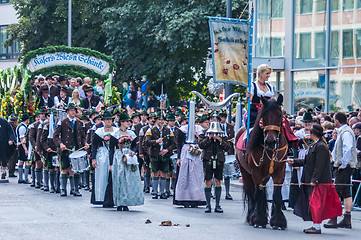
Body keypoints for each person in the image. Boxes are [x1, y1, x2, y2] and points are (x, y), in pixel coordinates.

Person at [288, 124, 342, 234]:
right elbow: (308, 162)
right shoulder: (315, 145)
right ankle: (315, 224)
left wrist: (315, 180)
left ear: (313, 134)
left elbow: (320, 165)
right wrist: (295, 162)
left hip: (320, 182)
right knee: (313, 203)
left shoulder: (321, 146)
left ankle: (316, 226)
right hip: (315, 180)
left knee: (315, 204)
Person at [324, 112, 358, 229]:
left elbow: (347, 149)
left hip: (344, 166)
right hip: (346, 165)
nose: (334, 122)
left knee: (336, 191)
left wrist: (342, 164)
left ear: (337, 121)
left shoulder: (346, 132)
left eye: (334, 120)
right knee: (346, 191)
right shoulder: (345, 131)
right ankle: (347, 219)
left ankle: (333, 218)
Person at [109, 112, 144, 211]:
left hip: (129, 156)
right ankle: (120, 202)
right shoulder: (115, 134)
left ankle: (128, 201)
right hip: (119, 156)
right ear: (121, 122)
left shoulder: (131, 133)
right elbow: (111, 149)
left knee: (130, 179)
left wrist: (133, 152)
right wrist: (111, 163)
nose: (128, 123)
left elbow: (134, 145)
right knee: (120, 179)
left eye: (128, 121)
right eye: (126, 121)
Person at [53, 103, 88, 197]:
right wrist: (60, 144)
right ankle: (63, 189)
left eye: (74, 111)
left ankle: (75, 189)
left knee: (76, 169)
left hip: (77, 149)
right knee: (64, 169)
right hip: (65, 149)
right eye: (71, 110)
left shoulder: (80, 123)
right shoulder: (62, 122)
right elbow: (55, 136)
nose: (73, 112)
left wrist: (85, 144)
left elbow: (83, 137)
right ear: (67, 112)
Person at [198, 121, 231, 213]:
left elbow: (228, 147)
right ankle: (208, 205)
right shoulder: (203, 134)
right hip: (207, 159)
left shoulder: (223, 135)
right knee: (208, 181)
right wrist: (209, 138)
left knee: (218, 181)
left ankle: (217, 205)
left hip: (219, 159)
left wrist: (220, 140)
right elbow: (201, 145)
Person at [174, 119, 206, 208]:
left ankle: (196, 198)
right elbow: (179, 143)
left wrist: (199, 145)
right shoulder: (183, 129)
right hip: (186, 151)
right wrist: (179, 157)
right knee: (185, 174)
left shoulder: (200, 129)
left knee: (196, 175)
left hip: (196, 152)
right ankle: (184, 198)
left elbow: (203, 141)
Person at [145, 112, 176, 199]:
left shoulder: (168, 130)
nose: (161, 121)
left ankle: (162, 192)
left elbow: (174, 143)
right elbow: (147, 142)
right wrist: (156, 141)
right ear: (156, 120)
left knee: (163, 173)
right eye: (159, 119)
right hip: (155, 154)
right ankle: (155, 191)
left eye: (162, 119)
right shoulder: (150, 130)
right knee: (155, 172)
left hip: (165, 155)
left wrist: (167, 150)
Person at [91, 111, 117, 207]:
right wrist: (94, 158)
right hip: (102, 153)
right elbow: (94, 145)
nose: (108, 121)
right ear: (104, 121)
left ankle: (112, 197)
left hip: (113, 153)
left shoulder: (116, 130)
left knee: (113, 176)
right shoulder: (99, 131)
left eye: (110, 119)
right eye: (106, 119)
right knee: (102, 175)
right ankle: (100, 197)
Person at [40, 109, 60, 193]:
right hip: (49, 150)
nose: (55, 117)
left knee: (58, 168)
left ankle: (57, 186)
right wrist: (46, 148)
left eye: (56, 116)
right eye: (53, 116)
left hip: (57, 150)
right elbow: (42, 140)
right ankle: (51, 186)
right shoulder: (47, 126)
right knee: (51, 168)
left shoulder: (60, 125)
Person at [217, 111, 235, 200]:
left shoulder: (231, 127)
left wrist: (233, 140)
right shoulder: (216, 127)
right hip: (219, 151)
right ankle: (214, 191)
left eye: (223, 117)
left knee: (227, 174)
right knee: (216, 173)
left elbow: (234, 137)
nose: (222, 119)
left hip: (228, 150)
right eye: (220, 117)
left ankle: (227, 193)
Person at [28, 108, 47, 188]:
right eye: (42, 114)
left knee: (44, 164)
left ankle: (42, 181)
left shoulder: (48, 123)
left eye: (44, 114)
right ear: (39, 115)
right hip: (36, 146)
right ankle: (37, 181)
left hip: (45, 146)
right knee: (36, 163)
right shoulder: (34, 125)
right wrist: (35, 145)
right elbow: (31, 137)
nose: (43, 115)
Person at [16, 113, 30, 184]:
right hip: (23, 145)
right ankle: (25, 178)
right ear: (27, 120)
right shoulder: (22, 128)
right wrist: (26, 149)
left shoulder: (19, 126)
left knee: (21, 161)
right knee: (27, 161)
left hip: (20, 145)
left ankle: (21, 178)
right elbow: (22, 139)